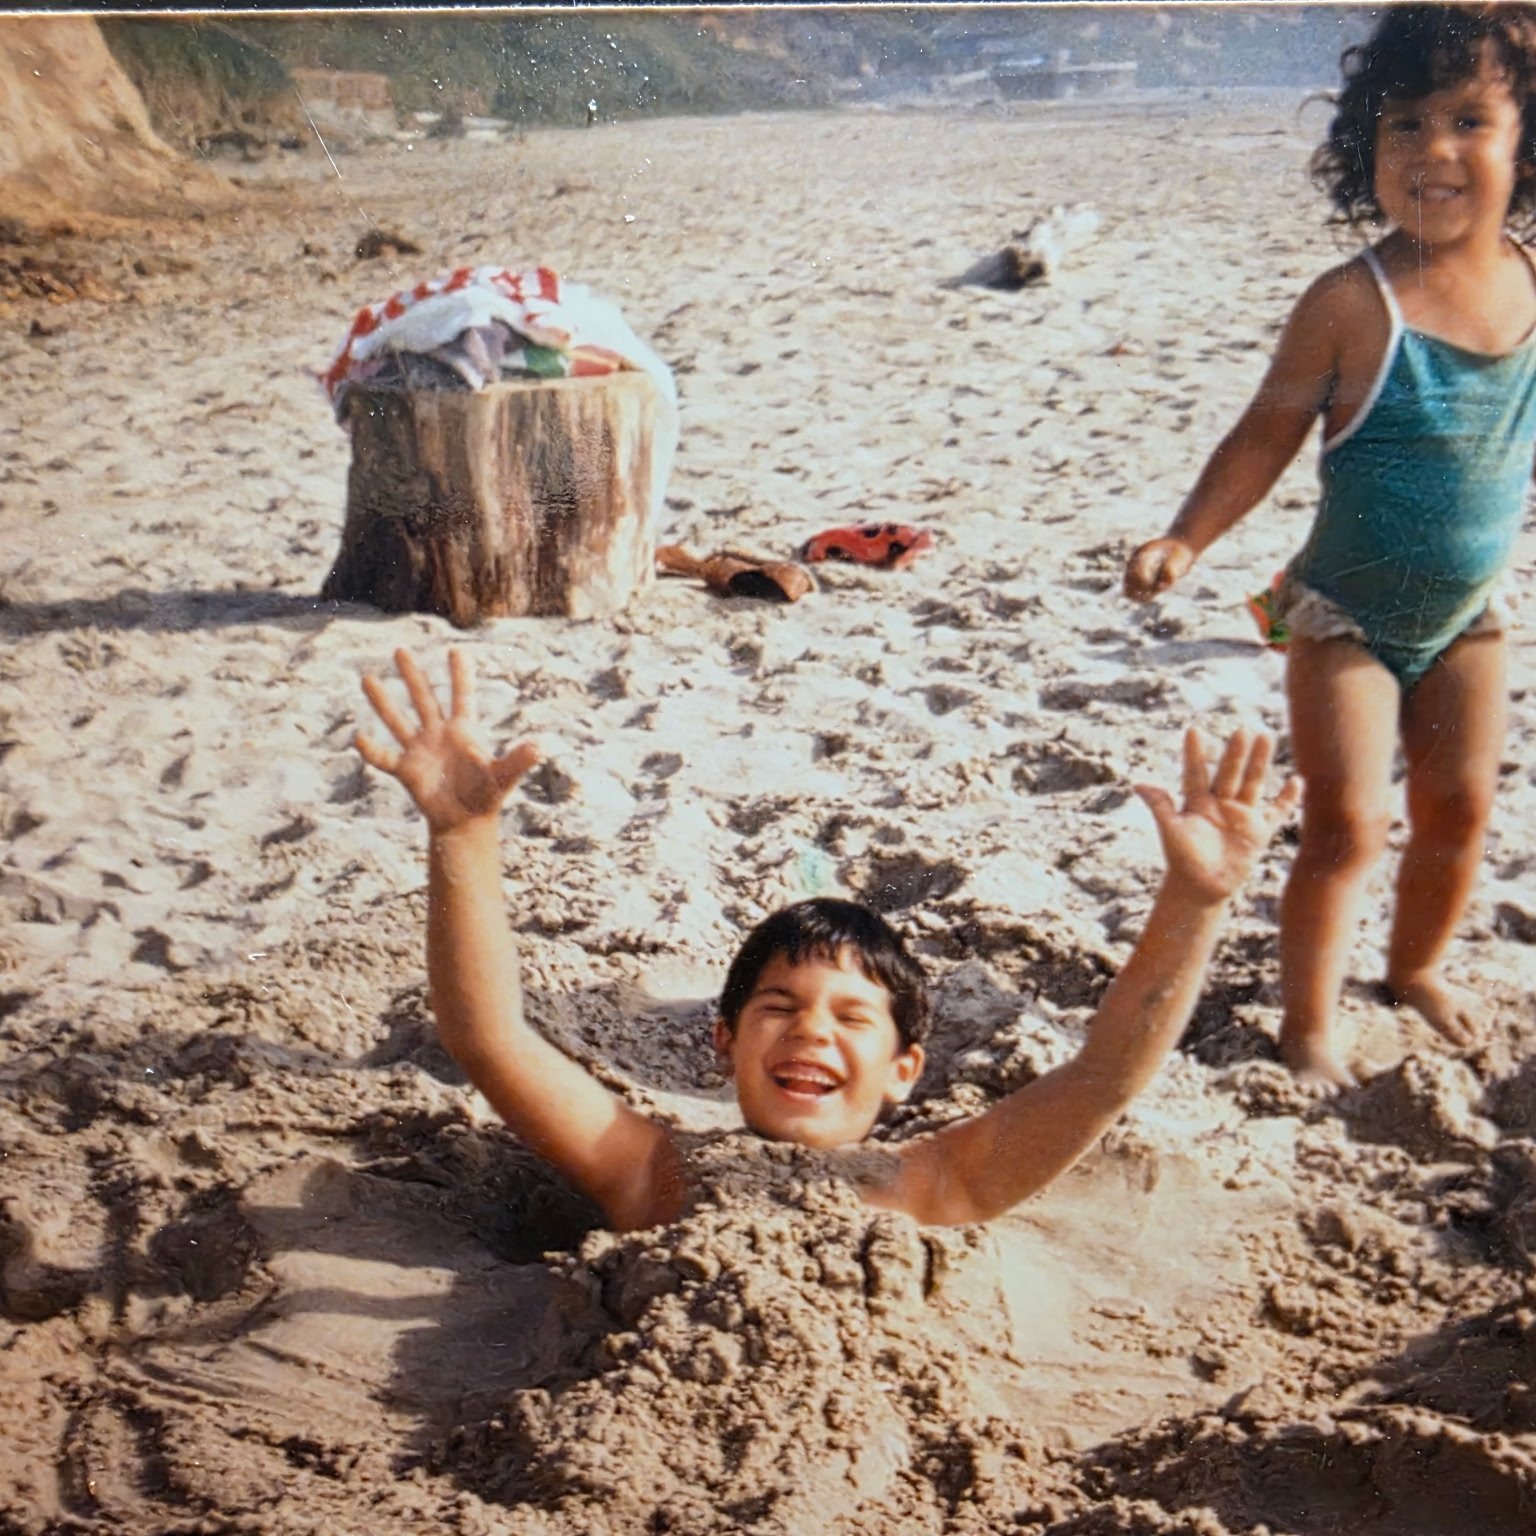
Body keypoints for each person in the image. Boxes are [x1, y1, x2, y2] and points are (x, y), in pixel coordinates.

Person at [354, 648, 1298, 1231]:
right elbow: (490, 1036)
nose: (812, 1033)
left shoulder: (937, 1182)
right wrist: (464, 838)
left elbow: (1106, 1075)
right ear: (721, 1040)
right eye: (780, 1007)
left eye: (854, 1018)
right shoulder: (650, 1165)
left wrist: (1196, 899)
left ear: (904, 1069)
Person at [1124, 3, 1536, 1086]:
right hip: (1345, 611)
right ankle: (1307, 1024)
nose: (1434, 151)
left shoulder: (1533, 281)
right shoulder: (1352, 302)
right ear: (1367, 148)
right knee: (1348, 827)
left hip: (1472, 612)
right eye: (1402, 125)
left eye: (1469, 120)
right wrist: (1187, 537)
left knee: (1460, 810)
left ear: (1526, 140)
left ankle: (1415, 969)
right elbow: (1266, 433)